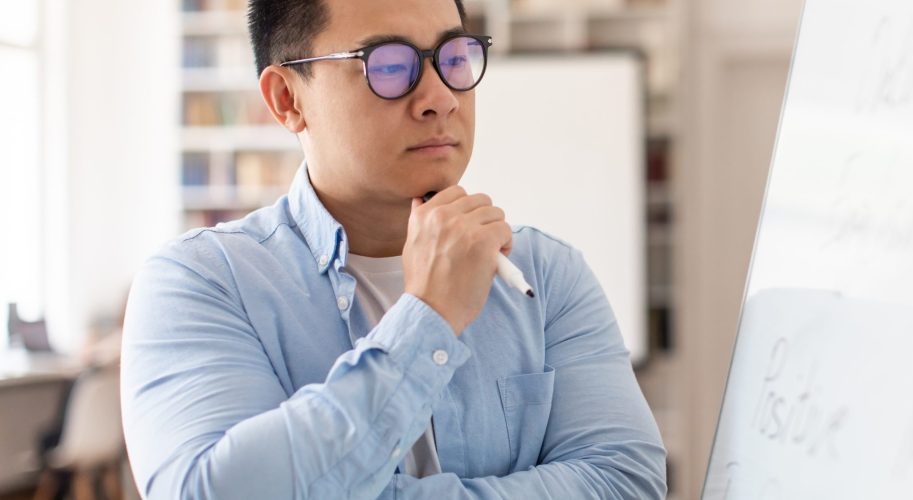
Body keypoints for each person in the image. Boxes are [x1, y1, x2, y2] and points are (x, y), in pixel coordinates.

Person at [119, 0, 667, 497]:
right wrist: (429, 317)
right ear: (288, 99)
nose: (441, 99)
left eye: (453, 57)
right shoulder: (201, 282)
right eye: (388, 65)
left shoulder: (546, 274)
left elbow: (625, 480)